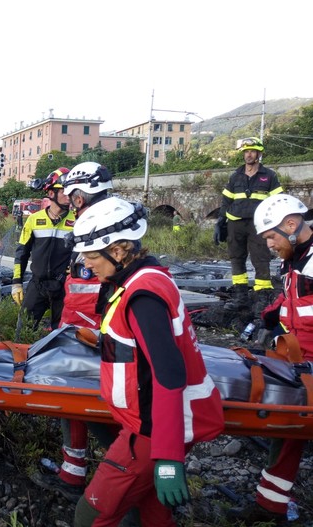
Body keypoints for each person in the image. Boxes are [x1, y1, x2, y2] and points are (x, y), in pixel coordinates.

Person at [70, 196, 224, 526]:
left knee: (90, 517)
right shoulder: (142, 279)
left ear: (119, 250)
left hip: (150, 431)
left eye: (92, 254)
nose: (86, 262)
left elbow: (168, 375)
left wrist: (168, 459)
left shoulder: (142, 295)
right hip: (149, 424)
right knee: (153, 514)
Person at [30, 162, 114, 502]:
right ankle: (74, 470)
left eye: (70, 191)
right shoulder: (97, 221)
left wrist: (86, 330)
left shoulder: (101, 224)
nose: (67, 196)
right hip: (79, 326)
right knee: (75, 402)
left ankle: (126, 472)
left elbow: (100, 288)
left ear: (81, 194)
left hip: (91, 331)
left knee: (91, 407)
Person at [227, 194, 313, 523]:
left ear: (291, 225)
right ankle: (270, 506)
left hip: (306, 366)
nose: (270, 246)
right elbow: (295, 301)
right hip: (297, 365)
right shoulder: (296, 259)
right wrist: (273, 314)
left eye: (271, 237)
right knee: (288, 433)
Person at [214, 137, 283, 315]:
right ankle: (240, 298)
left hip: (258, 225)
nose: (248, 155)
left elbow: (278, 201)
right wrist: (221, 220)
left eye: (252, 151)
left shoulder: (269, 176)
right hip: (235, 223)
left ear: (259, 154)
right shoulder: (235, 176)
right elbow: (226, 200)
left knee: (261, 260)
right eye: (246, 152)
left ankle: (262, 299)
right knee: (236, 259)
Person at [12, 168, 75, 330]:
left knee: (63, 334)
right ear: (51, 193)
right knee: (23, 328)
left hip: (64, 286)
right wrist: (16, 283)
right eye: (64, 191)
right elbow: (22, 254)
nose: (69, 196)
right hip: (37, 284)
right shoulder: (34, 219)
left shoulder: (77, 220)